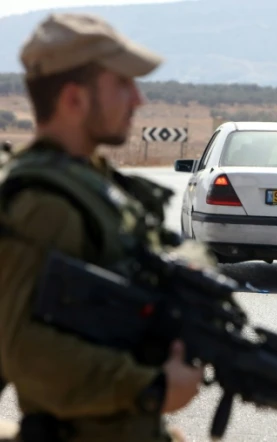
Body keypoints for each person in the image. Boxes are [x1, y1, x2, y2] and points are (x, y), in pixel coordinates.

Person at [0, 13, 213, 442]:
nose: (138, 99)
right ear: (74, 99)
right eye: (122, 84)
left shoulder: (94, 181)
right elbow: (22, 352)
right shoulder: (43, 203)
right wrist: (150, 389)